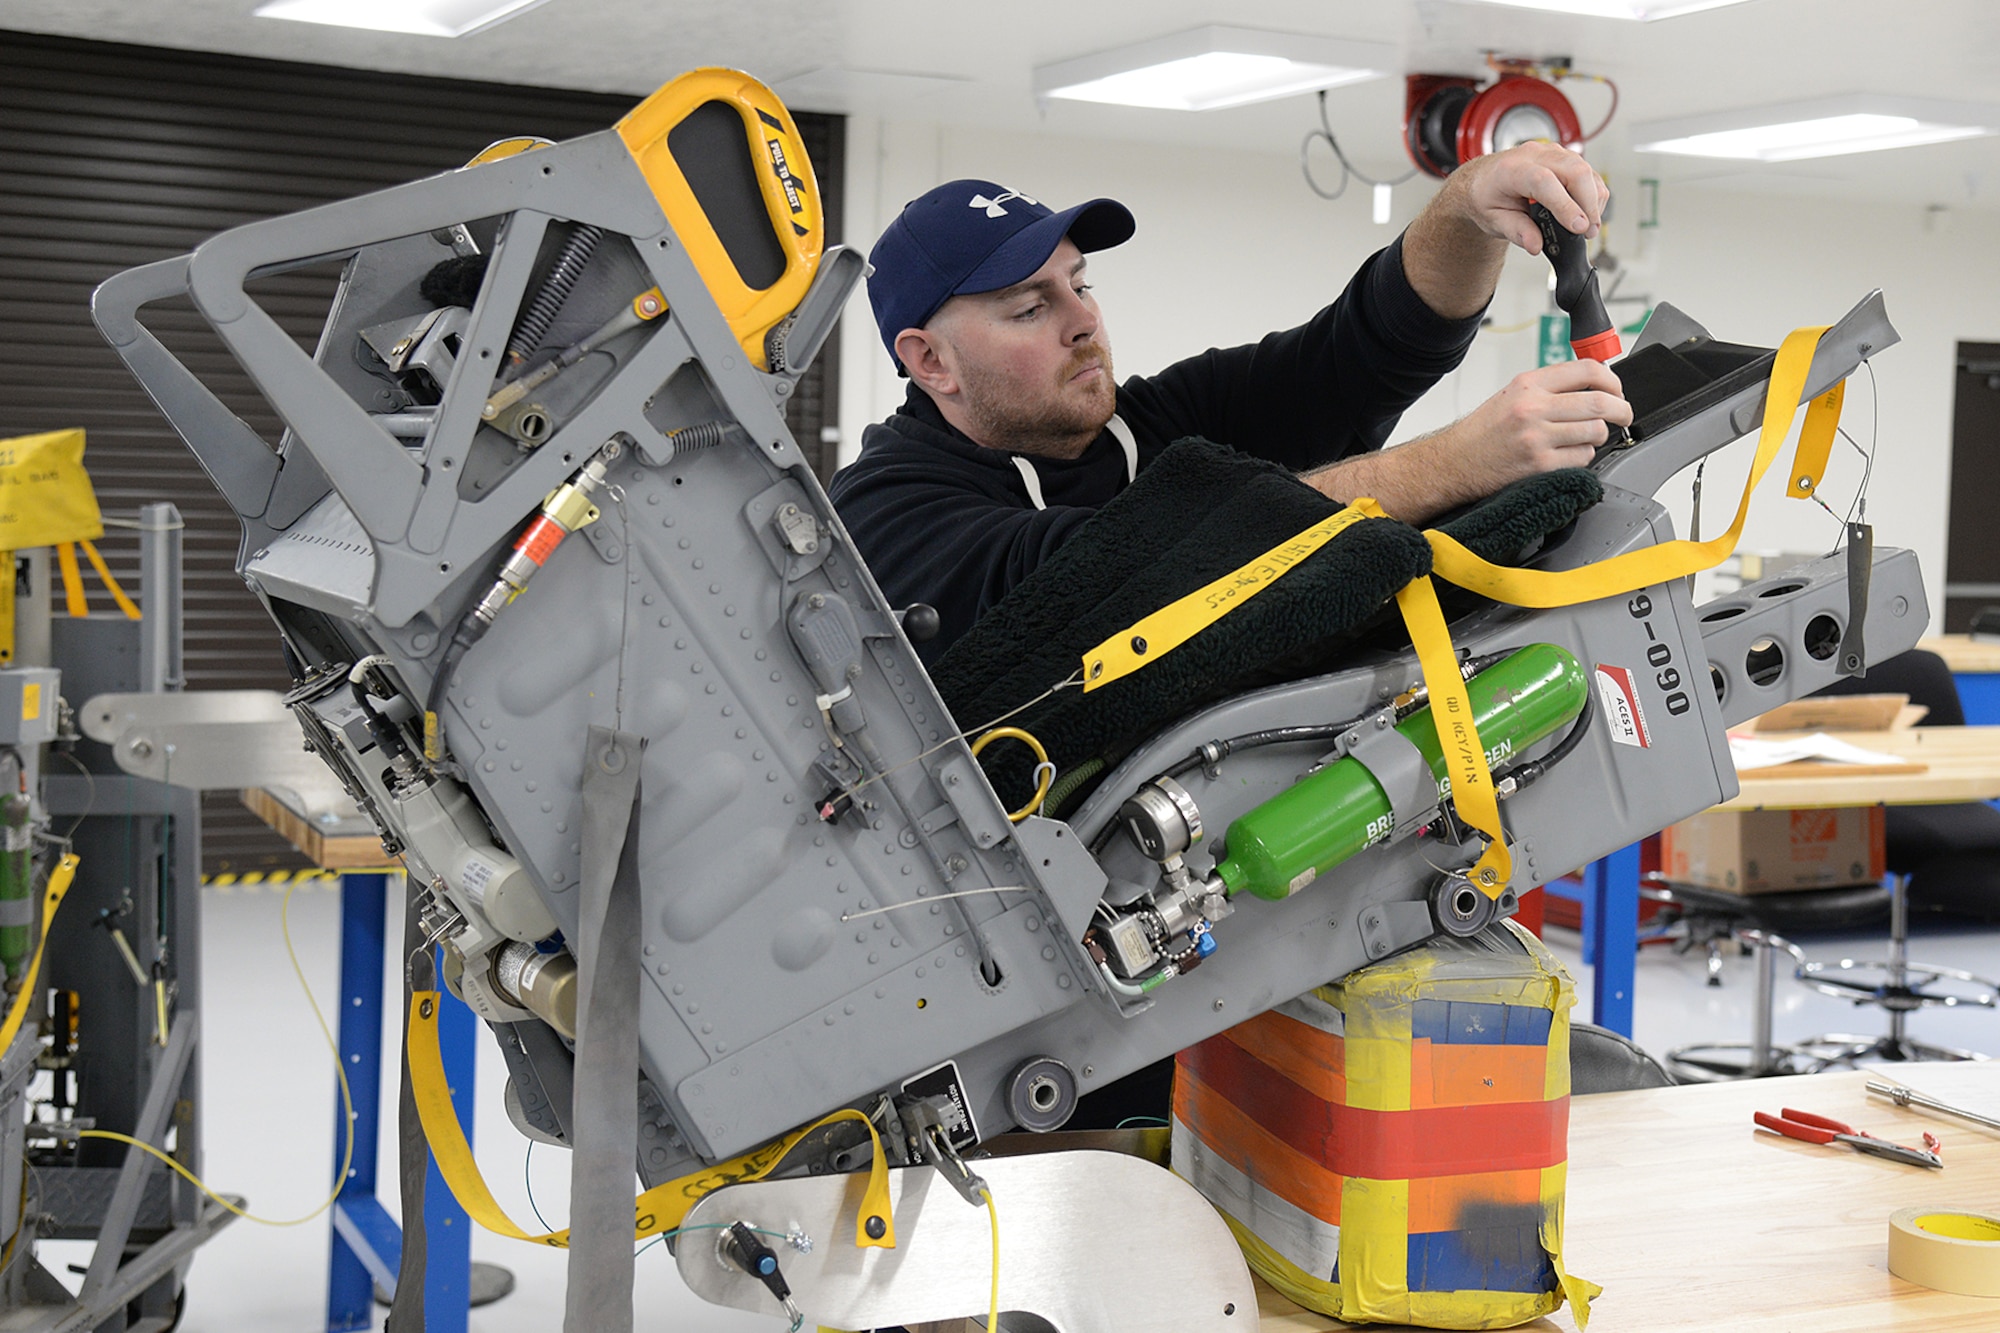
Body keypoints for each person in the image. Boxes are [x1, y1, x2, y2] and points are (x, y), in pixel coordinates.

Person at [828, 143, 1633, 664]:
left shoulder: (1146, 426)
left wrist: (1466, 206)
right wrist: (1455, 463)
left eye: (1081, 284)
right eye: (1031, 308)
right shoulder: (884, 511)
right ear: (930, 361)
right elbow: (1115, 568)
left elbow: (1362, 353)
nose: (1084, 321)